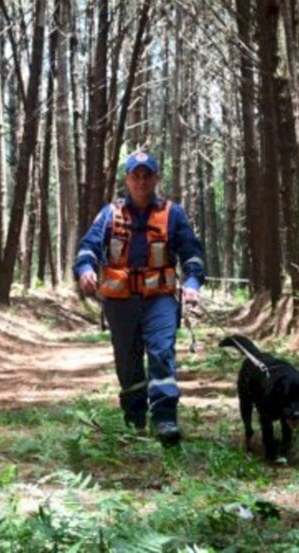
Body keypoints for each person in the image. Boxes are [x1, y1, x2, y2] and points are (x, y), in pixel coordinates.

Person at [74, 150, 206, 446]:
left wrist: (194, 282)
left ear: (156, 179)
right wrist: (84, 269)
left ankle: (165, 420)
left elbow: (192, 253)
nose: (142, 181)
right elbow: (88, 247)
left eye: (147, 175)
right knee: (128, 362)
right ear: (127, 180)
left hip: (159, 299)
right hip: (120, 302)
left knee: (161, 353)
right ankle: (134, 420)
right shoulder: (110, 213)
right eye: (136, 175)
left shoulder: (173, 214)